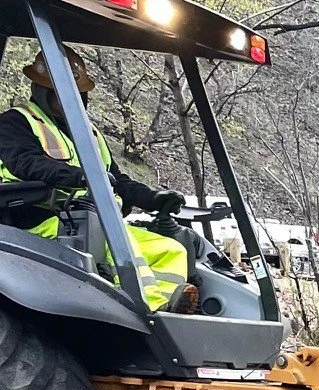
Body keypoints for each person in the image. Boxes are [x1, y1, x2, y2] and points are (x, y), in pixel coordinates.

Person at [0, 48, 193, 312]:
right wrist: (79, 176)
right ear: (42, 92)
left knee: (170, 250)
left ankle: (173, 310)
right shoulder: (15, 122)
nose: (71, 101)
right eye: (62, 95)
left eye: (78, 95)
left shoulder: (87, 132)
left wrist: (153, 198)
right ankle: (152, 312)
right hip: (38, 222)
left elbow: (116, 179)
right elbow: (25, 162)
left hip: (93, 221)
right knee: (121, 249)